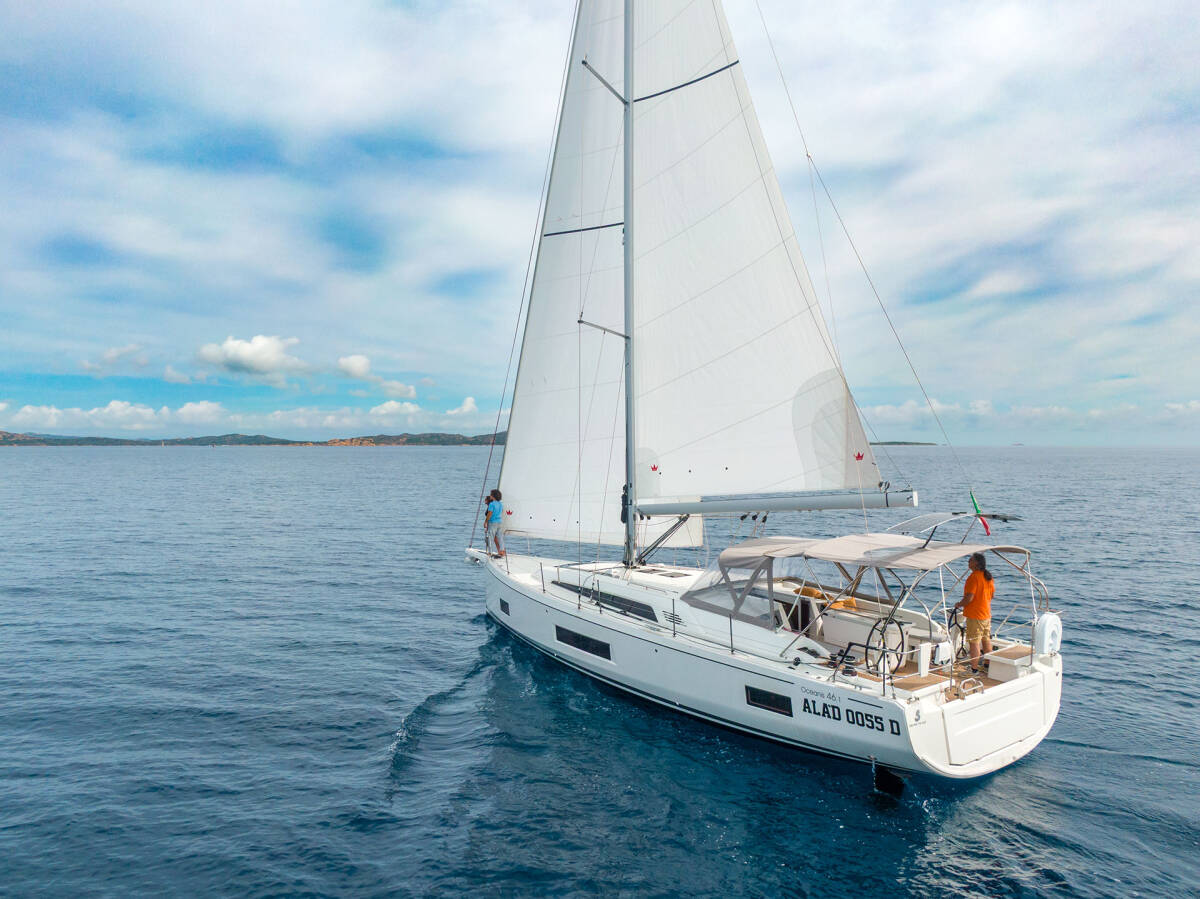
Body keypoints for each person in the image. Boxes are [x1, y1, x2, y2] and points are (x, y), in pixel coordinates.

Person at [954, 552, 994, 673]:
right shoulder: (988, 577)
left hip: (975, 615)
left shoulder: (974, 577)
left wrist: (959, 604)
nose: (968, 562)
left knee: (974, 642)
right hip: (986, 614)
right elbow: (991, 595)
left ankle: (973, 670)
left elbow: (969, 597)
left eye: (970, 560)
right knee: (986, 640)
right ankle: (987, 666)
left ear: (976, 563)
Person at [485, 489, 506, 558]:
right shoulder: (500, 504)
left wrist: (485, 521)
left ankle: (490, 552)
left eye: (491, 495)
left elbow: (489, 513)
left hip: (492, 522)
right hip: (499, 522)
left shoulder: (492, 504)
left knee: (490, 537)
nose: (490, 496)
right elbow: (501, 511)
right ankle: (502, 551)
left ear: (493, 496)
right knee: (500, 537)